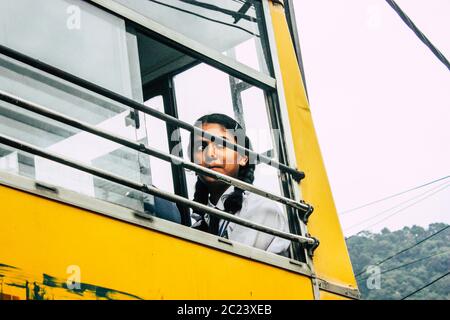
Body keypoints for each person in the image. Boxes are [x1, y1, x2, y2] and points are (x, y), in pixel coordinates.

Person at [188, 113, 291, 256]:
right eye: (201, 147)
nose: (210, 153)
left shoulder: (261, 210)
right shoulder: (198, 225)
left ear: (243, 157)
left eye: (221, 144)